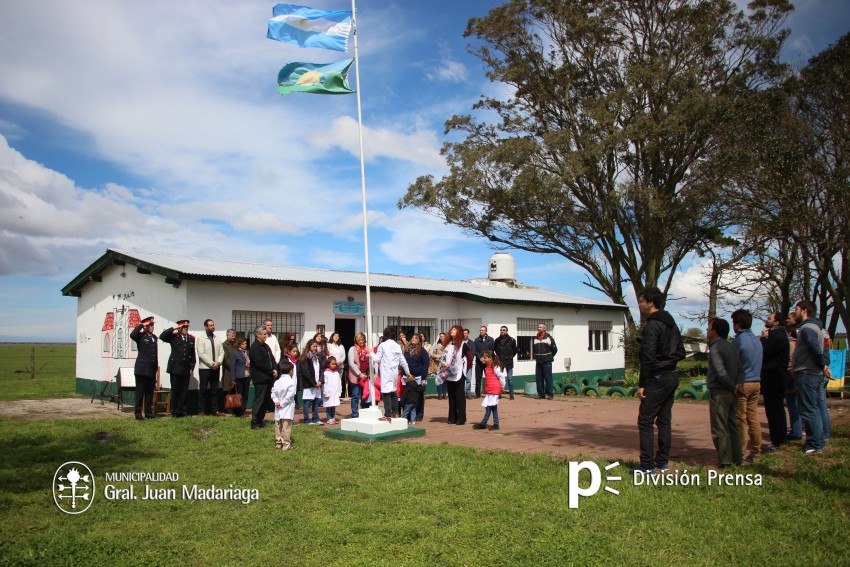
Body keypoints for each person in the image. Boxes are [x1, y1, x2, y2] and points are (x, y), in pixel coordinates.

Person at [635, 287, 685, 473]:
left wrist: (642, 384)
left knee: (645, 421)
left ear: (650, 303)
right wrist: (668, 360)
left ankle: (647, 465)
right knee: (664, 421)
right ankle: (662, 462)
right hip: (672, 375)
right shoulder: (671, 323)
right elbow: (681, 351)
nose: (639, 304)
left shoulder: (652, 326)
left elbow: (647, 356)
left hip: (657, 377)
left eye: (641, 301)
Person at [792, 300, 832, 454]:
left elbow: (815, 349)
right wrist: (825, 365)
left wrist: (823, 366)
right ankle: (814, 442)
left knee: (809, 410)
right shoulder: (817, 328)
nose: (794, 312)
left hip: (807, 373)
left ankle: (816, 444)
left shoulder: (807, 328)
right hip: (813, 373)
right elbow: (824, 350)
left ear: (804, 310)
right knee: (812, 409)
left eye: (796, 309)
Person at [706, 318, 743, 468]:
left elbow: (720, 372)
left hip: (720, 392)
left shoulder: (715, 348)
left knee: (720, 427)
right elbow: (740, 369)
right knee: (732, 425)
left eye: (709, 327)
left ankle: (725, 460)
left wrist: (731, 386)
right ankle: (737, 458)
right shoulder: (731, 346)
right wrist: (737, 385)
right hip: (733, 391)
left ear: (715, 331)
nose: (707, 330)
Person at [731, 309, 763, 463]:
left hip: (743, 383)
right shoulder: (757, 340)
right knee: (753, 417)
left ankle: (741, 453)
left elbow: (732, 362)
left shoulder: (738, 341)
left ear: (737, 324)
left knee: (740, 419)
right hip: (756, 382)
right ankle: (757, 451)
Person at [760, 312, 790, 449]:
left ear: (776, 322)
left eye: (769, 318)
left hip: (774, 378)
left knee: (774, 411)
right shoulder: (779, 335)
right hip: (775, 377)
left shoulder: (777, 337)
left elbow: (764, 352)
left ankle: (778, 440)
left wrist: (763, 339)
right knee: (776, 410)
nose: (767, 320)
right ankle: (779, 438)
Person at [372, 326, 413, 421]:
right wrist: (408, 372)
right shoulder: (397, 346)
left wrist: (370, 353)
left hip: (386, 371)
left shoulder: (382, 345)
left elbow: (377, 359)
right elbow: (403, 361)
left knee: (386, 392)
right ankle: (395, 412)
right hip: (394, 372)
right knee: (393, 391)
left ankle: (387, 415)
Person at [159, 320, 196, 418]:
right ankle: (175, 411)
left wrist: (192, 366)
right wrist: (173, 328)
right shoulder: (174, 337)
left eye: (186, 327)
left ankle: (182, 410)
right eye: (183, 327)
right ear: (179, 328)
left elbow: (192, 354)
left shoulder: (191, 338)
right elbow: (162, 336)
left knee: (184, 391)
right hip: (175, 368)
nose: (185, 329)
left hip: (186, 368)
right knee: (175, 391)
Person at [129, 315, 158, 420]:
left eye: (153, 325)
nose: (152, 327)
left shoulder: (154, 338)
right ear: (145, 326)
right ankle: (138, 413)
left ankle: (148, 413)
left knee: (149, 393)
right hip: (142, 369)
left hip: (151, 368)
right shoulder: (141, 336)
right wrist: (141, 325)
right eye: (150, 325)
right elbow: (132, 334)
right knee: (140, 393)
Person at [248, 326, 277, 429]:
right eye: (264, 334)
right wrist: (271, 370)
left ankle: (260, 420)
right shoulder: (255, 347)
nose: (266, 336)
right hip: (260, 378)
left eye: (266, 334)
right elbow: (259, 363)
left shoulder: (266, 346)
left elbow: (272, 359)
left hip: (268, 377)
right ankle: (255, 421)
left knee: (265, 400)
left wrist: (275, 368)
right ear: (258, 335)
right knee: (259, 399)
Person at [442, 325, 470, 425]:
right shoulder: (449, 344)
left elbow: (470, 357)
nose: (452, 331)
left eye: (455, 329)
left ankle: (461, 418)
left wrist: (465, 369)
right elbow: (445, 357)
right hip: (449, 372)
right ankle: (452, 417)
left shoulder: (463, 345)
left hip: (459, 373)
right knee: (451, 396)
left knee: (459, 396)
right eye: (452, 329)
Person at [196, 318, 225, 416]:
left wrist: (218, 362)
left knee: (215, 390)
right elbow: (201, 353)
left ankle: (215, 410)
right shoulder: (201, 339)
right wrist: (212, 363)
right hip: (205, 368)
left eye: (213, 325)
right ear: (206, 327)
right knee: (203, 390)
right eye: (211, 325)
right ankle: (201, 410)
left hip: (216, 368)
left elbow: (222, 352)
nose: (213, 327)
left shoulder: (217, 338)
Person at [473, 350, 506, 431]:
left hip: (494, 390)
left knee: (490, 407)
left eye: (485, 358)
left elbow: (501, 377)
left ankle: (485, 423)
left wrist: (502, 386)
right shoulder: (487, 367)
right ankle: (493, 423)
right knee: (492, 407)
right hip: (490, 390)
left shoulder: (495, 367)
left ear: (490, 358)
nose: (484, 359)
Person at [404, 332, 430, 423]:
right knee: (408, 397)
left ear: (419, 341)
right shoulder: (407, 350)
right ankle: (408, 415)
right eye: (413, 338)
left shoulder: (422, 351)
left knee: (419, 397)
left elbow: (426, 365)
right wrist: (404, 373)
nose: (414, 339)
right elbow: (403, 362)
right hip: (408, 377)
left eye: (416, 338)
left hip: (418, 377)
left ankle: (419, 414)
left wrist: (424, 378)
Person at [271, 359, 296, 451]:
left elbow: (273, 393)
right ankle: (286, 444)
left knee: (278, 426)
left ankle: (278, 442)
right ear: (291, 371)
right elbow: (290, 396)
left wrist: (277, 402)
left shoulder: (277, 382)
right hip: (286, 407)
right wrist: (282, 403)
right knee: (286, 427)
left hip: (278, 406)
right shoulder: (291, 382)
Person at [785, 313, 803, 440]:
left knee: (792, 404)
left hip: (791, 374)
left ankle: (796, 431)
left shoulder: (791, 343)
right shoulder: (800, 342)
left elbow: (790, 360)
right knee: (795, 403)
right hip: (796, 373)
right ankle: (797, 429)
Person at [299, 339, 323, 424]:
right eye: (313, 346)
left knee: (316, 401)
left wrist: (320, 380)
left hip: (317, 383)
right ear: (309, 347)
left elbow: (321, 370)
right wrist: (313, 383)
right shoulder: (306, 358)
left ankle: (315, 418)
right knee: (307, 402)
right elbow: (306, 372)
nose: (315, 348)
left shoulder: (317, 357)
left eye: (316, 346)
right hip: (309, 384)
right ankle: (307, 419)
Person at [532, 323, 558, 400]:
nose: (538, 328)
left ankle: (550, 394)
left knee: (548, 378)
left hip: (547, 361)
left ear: (544, 329)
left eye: (540, 327)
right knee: (539, 378)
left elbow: (554, 349)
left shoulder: (549, 338)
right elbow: (534, 350)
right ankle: (541, 394)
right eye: (538, 327)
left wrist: (549, 357)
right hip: (538, 362)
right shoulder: (535, 339)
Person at [347, 332, 370, 417]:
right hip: (355, 375)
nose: (361, 341)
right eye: (359, 339)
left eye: (362, 339)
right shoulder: (352, 349)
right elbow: (351, 362)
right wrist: (359, 373)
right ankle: (355, 413)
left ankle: (364, 411)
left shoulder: (367, 349)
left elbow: (372, 361)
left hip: (365, 375)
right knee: (355, 395)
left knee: (365, 394)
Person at [494, 325, 518, 399]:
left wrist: (509, 356)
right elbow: (494, 349)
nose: (502, 331)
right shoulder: (497, 340)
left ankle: (511, 395)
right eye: (501, 330)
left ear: (507, 331)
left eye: (504, 330)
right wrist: (498, 357)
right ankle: (499, 394)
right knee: (499, 378)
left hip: (508, 361)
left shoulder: (512, 340)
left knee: (510, 378)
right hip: (500, 362)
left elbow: (515, 351)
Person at [229, 337, 250, 417]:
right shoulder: (235, 353)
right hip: (239, 376)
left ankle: (243, 410)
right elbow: (232, 366)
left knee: (245, 394)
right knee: (239, 394)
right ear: (239, 345)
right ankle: (238, 411)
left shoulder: (247, 353)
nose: (245, 345)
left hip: (247, 375)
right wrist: (232, 378)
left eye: (245, 344)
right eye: (243, 344)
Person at [473, 325, 495, 399]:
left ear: (486, 331)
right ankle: (477, 393)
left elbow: (492, 350)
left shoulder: (491, 340)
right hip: (479, 362)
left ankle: (489, 392)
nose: (481, 331)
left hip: (487, 362)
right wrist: (480, 358)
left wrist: (486, 358)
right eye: (480, 330)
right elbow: (475, 350)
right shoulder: (477, 340)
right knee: (478, 378)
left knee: (489, 378)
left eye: (482, 330)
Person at [220, 329, 237, 412]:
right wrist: (233, 367)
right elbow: (225, 359)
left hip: (235, 371)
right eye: (232, 336)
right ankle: (226, 407)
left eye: (235, 336)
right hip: (228, 371)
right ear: (228, 335)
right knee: (227, 389)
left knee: (234, 389)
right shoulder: (224, 345)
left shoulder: (235, 345)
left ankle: (234, 406)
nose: (234, 337)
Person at [323, 356, 342, 424]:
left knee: (333, 406)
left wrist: (339, 391)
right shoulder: (326, 373)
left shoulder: (336, 373)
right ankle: (329, 418)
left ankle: (333, 417)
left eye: (335, 364)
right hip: (329, 392)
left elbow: (339, 382)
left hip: (335, 392)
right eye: (332, 364)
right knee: (329, 406)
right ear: (328, 364)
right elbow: (325, 383)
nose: (334, 365)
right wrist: (326, 393)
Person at [327, 332, 347, 399]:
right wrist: (333, 363)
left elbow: (343, 356)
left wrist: (340, 362)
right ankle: (330, 396)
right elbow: (328, 355)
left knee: (338, 381)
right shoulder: (329, 345)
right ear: (332, 337)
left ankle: (337, 396)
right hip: (331, 367)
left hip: (340, 366)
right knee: (331, 381)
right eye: (335, 336)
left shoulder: (341, 346)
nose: (336, 337)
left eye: (337, 336)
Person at [431, 333, 447, 400]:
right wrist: (439, 356)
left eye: (443, 336)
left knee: (445, 380)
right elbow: (432, 354)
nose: (441, 338)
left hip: (446, 365)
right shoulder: (437, 346)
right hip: (439, 365)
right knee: (439, 380)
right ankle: (439, 394)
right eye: (440, 337)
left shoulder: (448, 345)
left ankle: (444, 394)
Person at [462, 329, 475, 398]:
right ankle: (461, 393)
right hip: (461, 364)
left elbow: (473, 353)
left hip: (469, 363)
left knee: (468, 379)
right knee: (461, 379)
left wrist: (468, 359)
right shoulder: (460, 342)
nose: (464, 334)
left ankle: (468, 393)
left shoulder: (472, 343)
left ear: (468, 334)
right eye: (463, 333)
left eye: (465, 333)